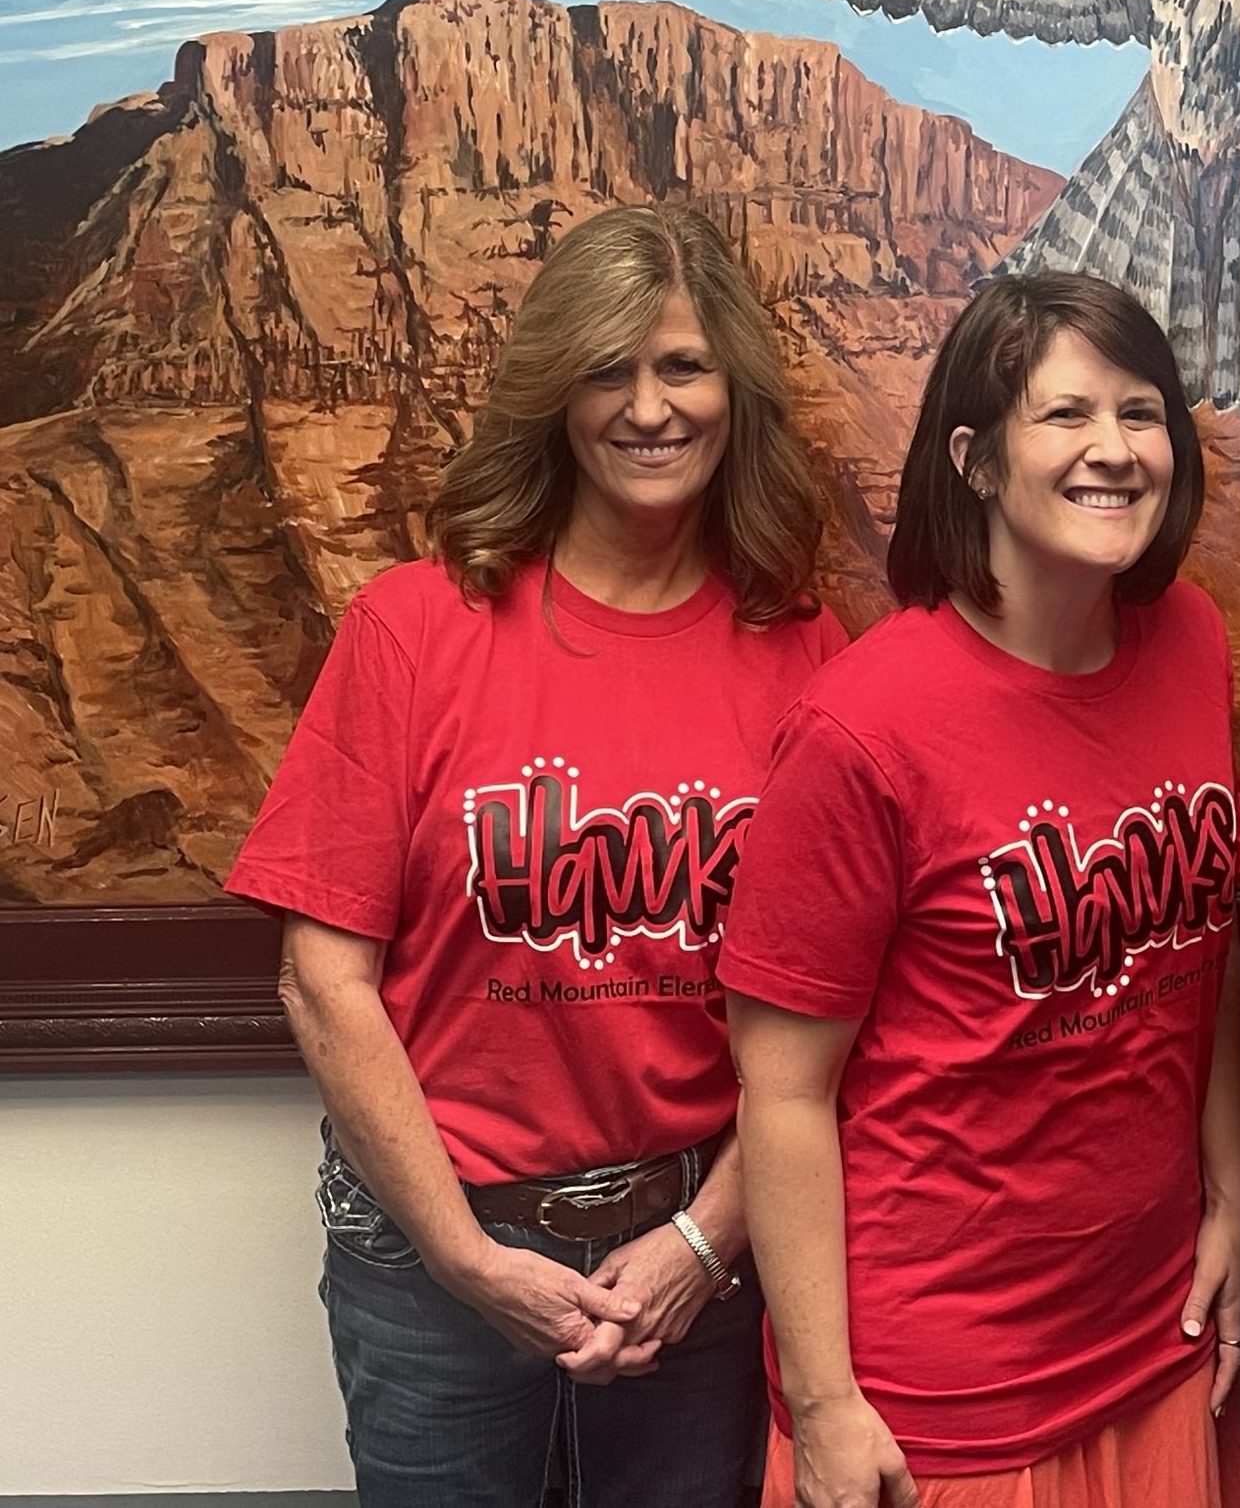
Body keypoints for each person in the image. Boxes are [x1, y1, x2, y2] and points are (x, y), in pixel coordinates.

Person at [227, 204, 845, 1505]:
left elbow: (832, 1011)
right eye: (608, 369)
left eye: (681, 365)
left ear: (733, 388)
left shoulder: (803, 650)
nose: (649, 407)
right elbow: (320, 982)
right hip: (435, 1251)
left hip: (698, 1252)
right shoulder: (418, 626)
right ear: (555, 394)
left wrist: (700, 1239)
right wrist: (464, 1258)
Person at [718, 271, 1240, 1508]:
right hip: (945, 1396)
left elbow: (1196, 955)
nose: (1114, 451)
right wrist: (824, 1401)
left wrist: (1225, 1195)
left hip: (1153, 1337)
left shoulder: (1189, 641)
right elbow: (784, 1088)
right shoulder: (866, 726)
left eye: (1141, 413)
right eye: (1065, 416)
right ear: (972, 457)